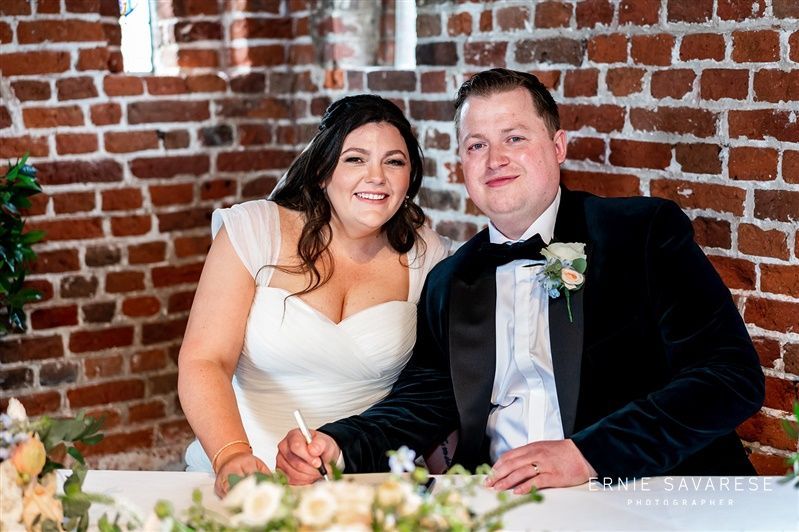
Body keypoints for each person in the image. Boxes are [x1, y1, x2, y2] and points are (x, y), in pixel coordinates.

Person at [275, 69, 765, 493]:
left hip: (640, 494)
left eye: (514, 138)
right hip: (499, 501)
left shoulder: (641, 234)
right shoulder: (451, 280)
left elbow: (729, 377)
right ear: (462, 164)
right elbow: (423, 402)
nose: (495, 159)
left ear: (558, 146)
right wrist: (339, 445)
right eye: (477, 145)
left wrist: (587, 455)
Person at [178, 94, 450, 496]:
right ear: (323, 171)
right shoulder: (254, 230)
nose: (376, 177)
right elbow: (205, 360)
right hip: (245, 472)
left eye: (394, 162)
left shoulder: (429, 257)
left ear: (410, 177)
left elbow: (433, 389)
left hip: (364, 478)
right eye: (355, 159)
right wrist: (232, 455)